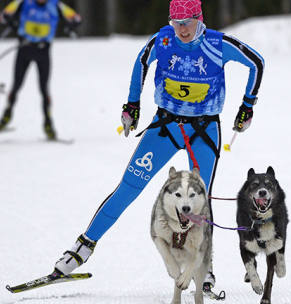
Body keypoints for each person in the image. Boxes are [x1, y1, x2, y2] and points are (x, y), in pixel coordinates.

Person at [54, 0, 264, 292]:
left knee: (201, 198)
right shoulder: (163, 40)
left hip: (203, 130)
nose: (182, 30)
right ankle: (82, 248)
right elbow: (141, 63)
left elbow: (257, 62)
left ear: (199, 19)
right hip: (165, 127)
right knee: (128, 187)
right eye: (176, 23)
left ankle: (205, 269)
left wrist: (247, 107)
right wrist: (132, 105)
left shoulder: (218, 43)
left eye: (188, 22)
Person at [0, 0, 81, 140]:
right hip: (24, 49)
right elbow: (2, 16)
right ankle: (6, 115)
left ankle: (48, 124)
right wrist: (10, 21)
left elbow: (77, 18)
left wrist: (71, 26)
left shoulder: (56, 5)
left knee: (44, 89)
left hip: (43, 51)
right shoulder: (23, 2)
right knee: (16, 85)